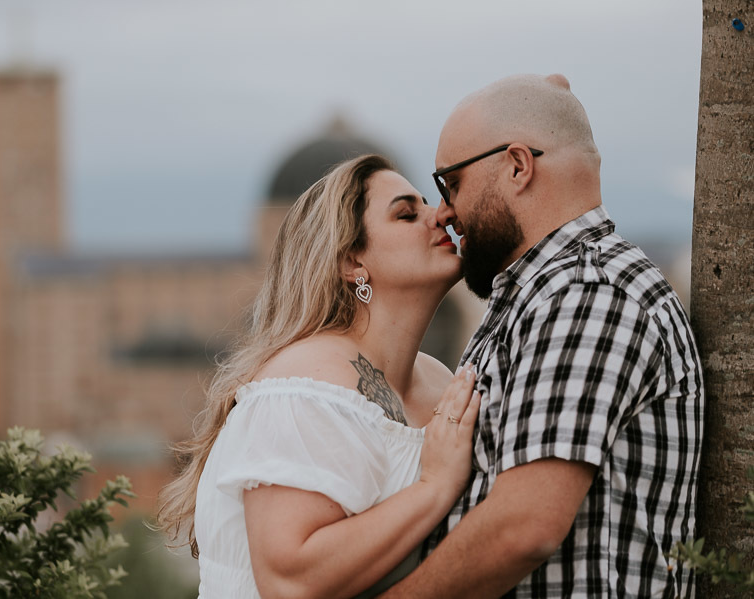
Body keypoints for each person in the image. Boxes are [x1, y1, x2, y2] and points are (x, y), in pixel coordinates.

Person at [381, 74, 704, 598]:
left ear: (516, 166)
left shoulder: (587, 294)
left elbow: (523, 526)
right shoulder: (539, 293)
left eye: (450, 183)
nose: (443, 211)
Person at [158, 154, 481, 598]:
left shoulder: (439, 379)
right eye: (407, 213)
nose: (442, 214)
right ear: (352, 262)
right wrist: (434, 486)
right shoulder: (305, 383)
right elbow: (290, 581)